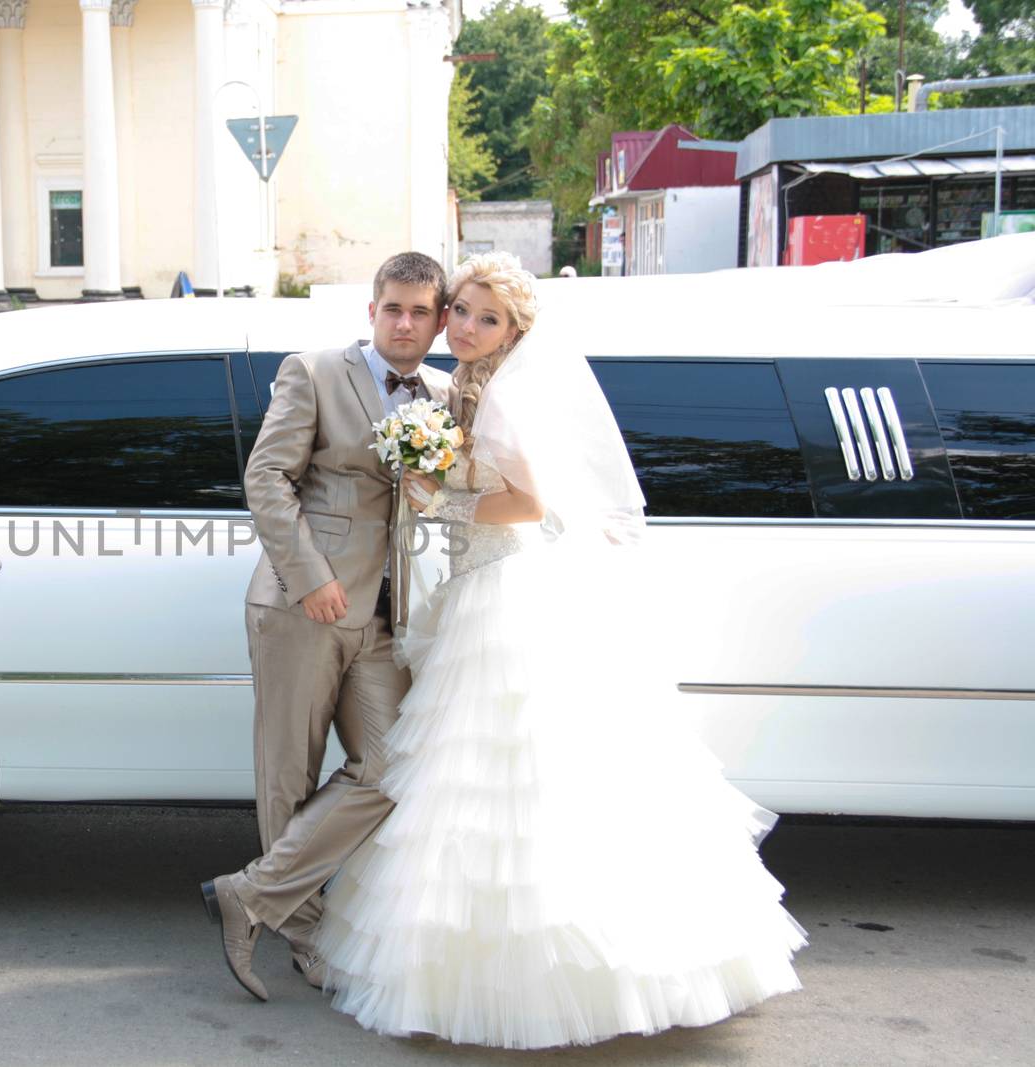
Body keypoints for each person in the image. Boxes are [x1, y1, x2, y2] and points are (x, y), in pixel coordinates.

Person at [316, 251, 807, 1048]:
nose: (467, 327)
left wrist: (440, 495)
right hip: (498, 586)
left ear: (515, 330)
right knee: (491, 781)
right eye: (463, 312)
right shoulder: (472, 386)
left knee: (505, 779)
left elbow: (529, 503)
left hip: (509, 597)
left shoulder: (504, 395)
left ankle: (537, 978)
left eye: (488, 318)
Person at [201, 252, 454, 1000]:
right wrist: (309, 578)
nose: (403, 323)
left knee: (389, 766)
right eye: (391, 309)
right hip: (301, 604)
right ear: (372, 311)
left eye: (419, 311)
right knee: (288, 773)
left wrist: (429, 485)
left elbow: (432, 504)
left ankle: (250, 893)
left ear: (440, 320)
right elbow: (266, 477)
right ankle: (305, 934)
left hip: (384, 615)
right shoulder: (312, 373)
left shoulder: (443, 395)